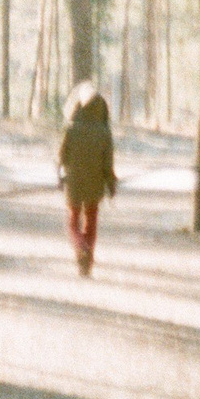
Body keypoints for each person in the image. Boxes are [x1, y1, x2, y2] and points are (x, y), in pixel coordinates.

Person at [56, 84, 117, 277]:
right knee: (91, 219)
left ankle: (80, 246)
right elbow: (108, 161)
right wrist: (111, 182)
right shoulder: (104, 131)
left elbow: (62, 155)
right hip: (96, 180)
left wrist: (60, 175)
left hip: (74, 180)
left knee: (73, 220)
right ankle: (87, 259)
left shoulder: (70, 128)